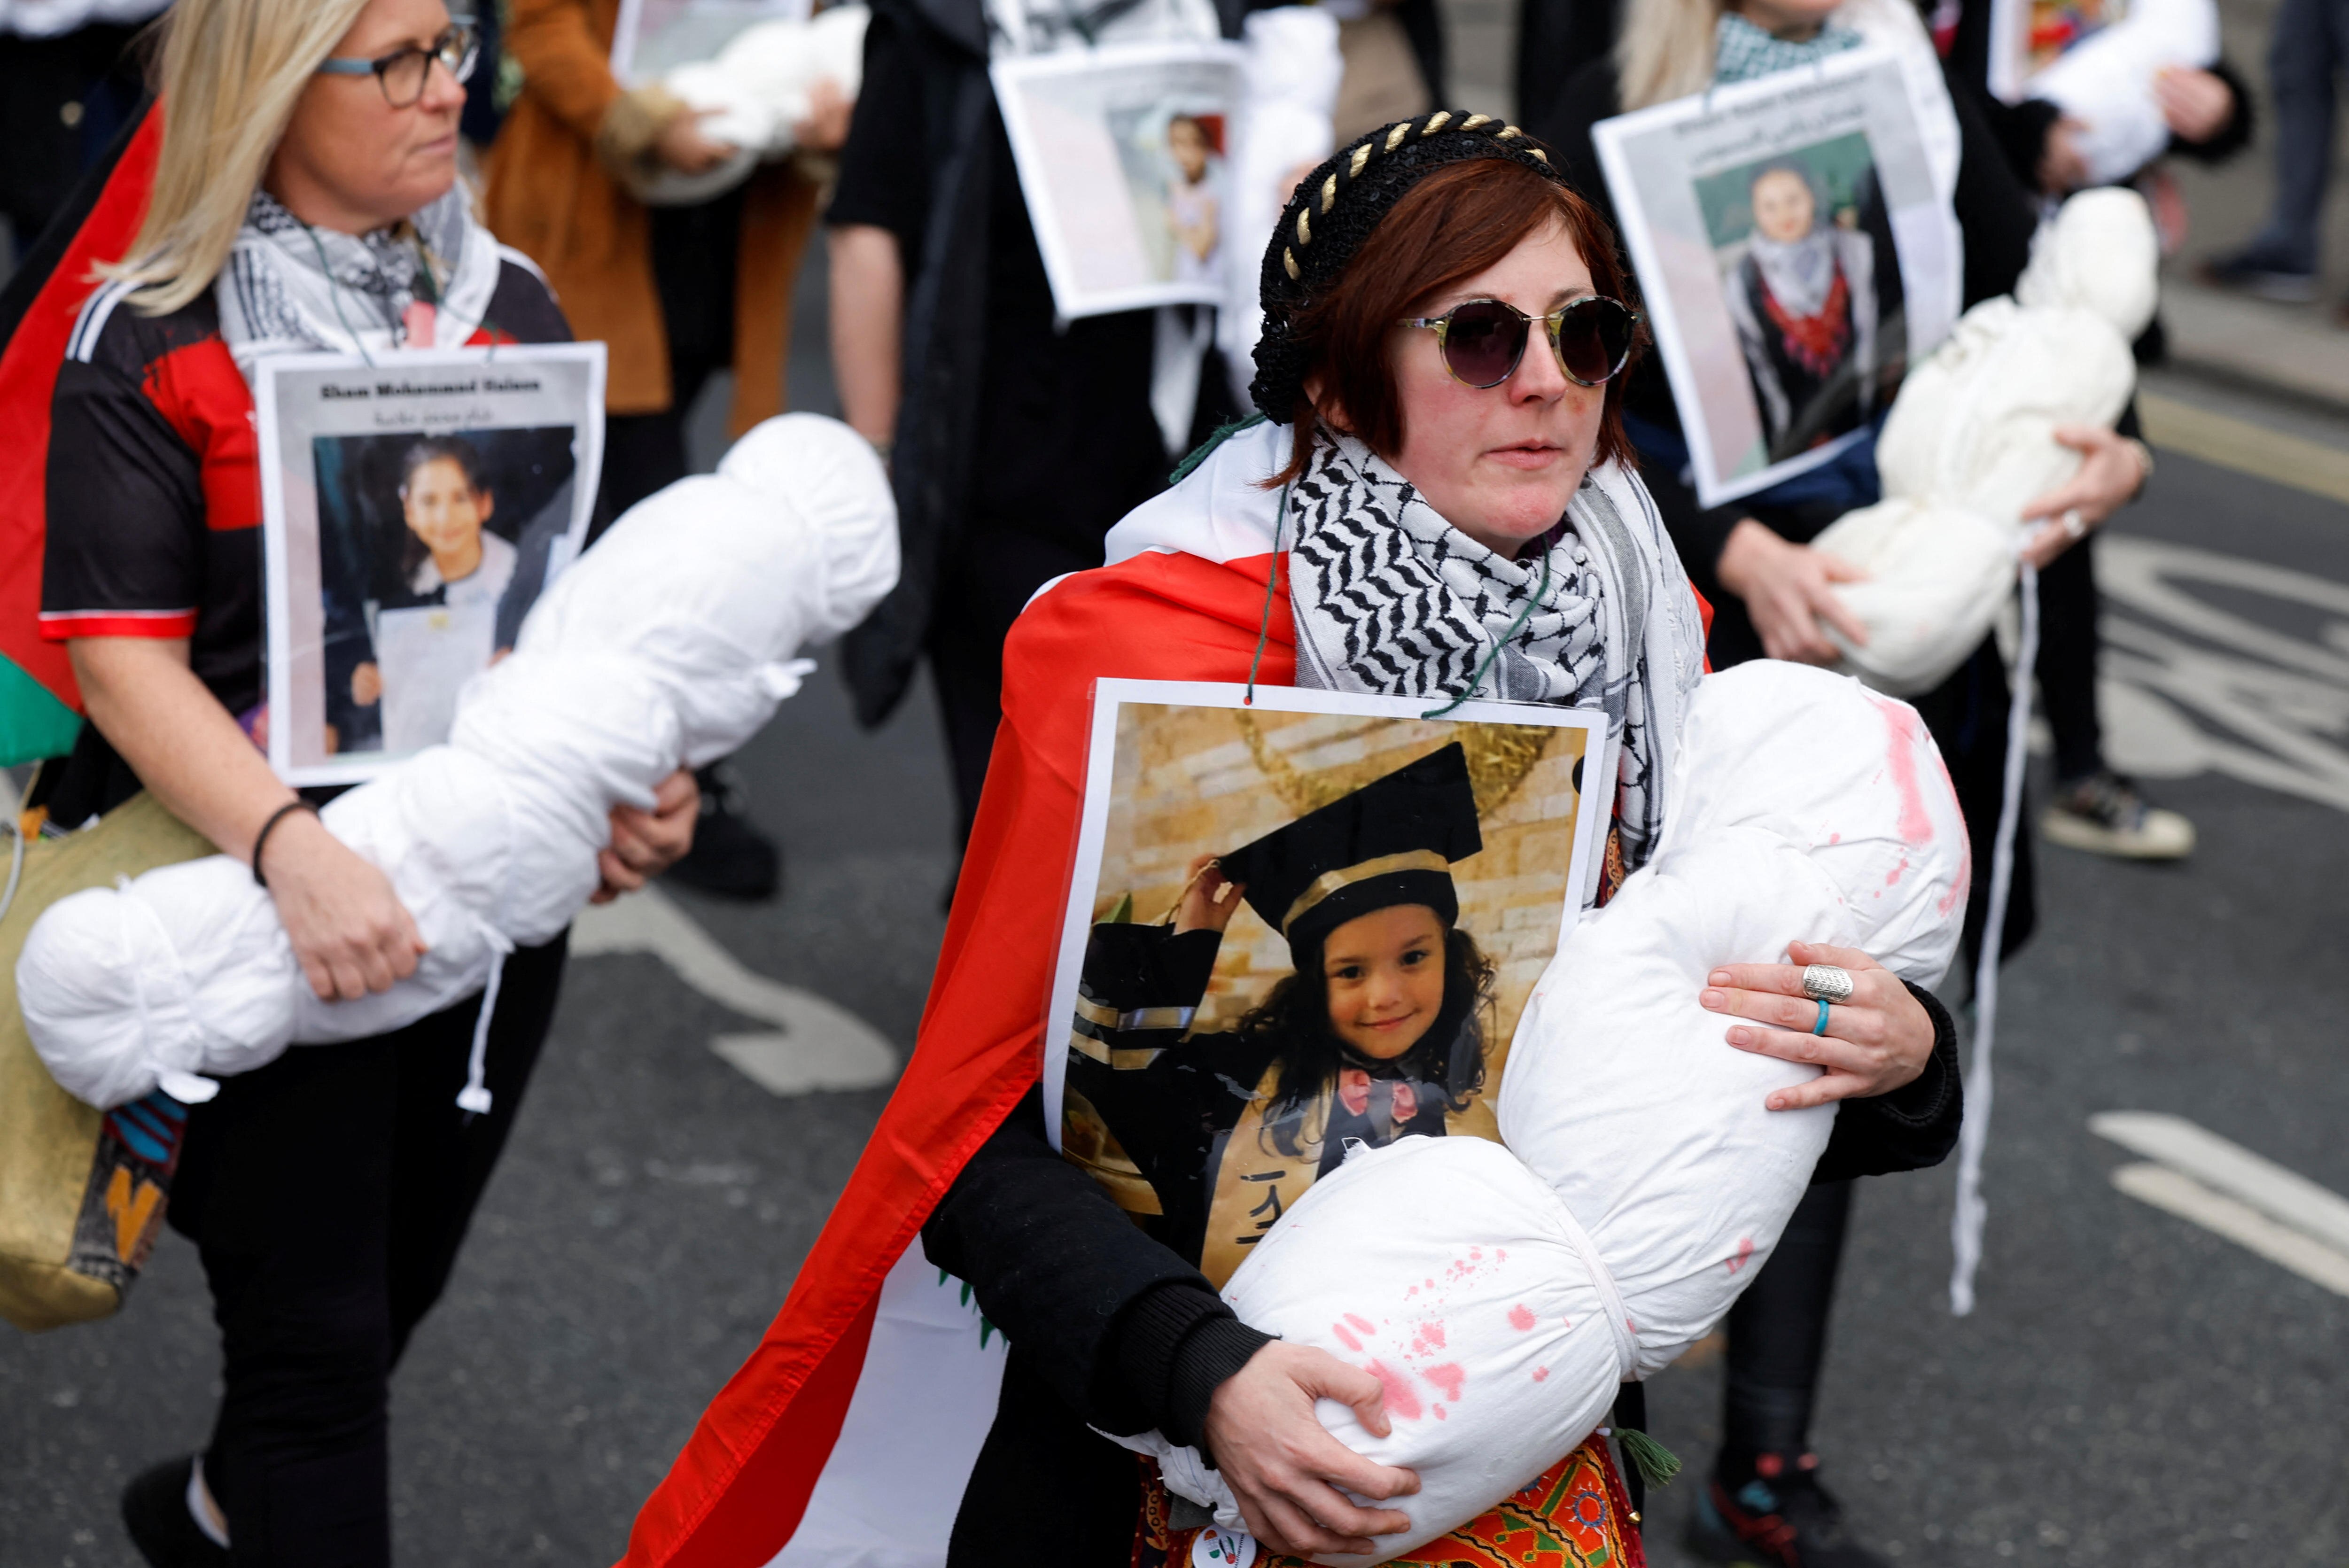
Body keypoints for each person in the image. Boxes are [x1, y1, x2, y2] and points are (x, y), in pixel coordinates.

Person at [927, 119, 1960, 1564]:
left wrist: (1900, 1055)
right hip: (1161, 1458)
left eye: (1582, 332)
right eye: (1478, 336)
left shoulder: (1652, 640)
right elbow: (966, 1131)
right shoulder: (1141, 650)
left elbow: (1670, 1089)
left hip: (1516, 1452)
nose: (1543, 379)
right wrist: (1204, 1371)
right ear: (1343, 383)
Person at [18, 0, 699, 1561]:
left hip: (491, 898)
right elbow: (121, 656)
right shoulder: (151, 327)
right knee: (316, 1349)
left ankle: (205, 1518)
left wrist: (635, 788)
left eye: (454, 50)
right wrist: (282, 846)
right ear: (270, 86)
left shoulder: (511, 305)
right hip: (258, 906)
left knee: (394, 1291)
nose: (446, 87)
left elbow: (566, 616)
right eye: (394, 60)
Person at [1531, 3, 2146, 1561]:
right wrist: (1728, 543)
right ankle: (1557, 1402)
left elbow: (2034, 302)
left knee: (1838, 1012)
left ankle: (1762, 1453)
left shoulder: (1903, 63)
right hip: (1706, 602)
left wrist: (2111, 444)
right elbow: (1539, 372)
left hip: (1906, 606)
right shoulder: (1599, 55)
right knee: (1660, 1000)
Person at [825, 0, 1244, 852]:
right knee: (1017, 810)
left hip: (1180, 459)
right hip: (998, 463)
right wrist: (875, 457)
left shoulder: (1213, 17)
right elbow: (868, 232)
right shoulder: (943, 25)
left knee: (1151, 807)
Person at [484, 0, 848, 901]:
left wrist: (826, 98)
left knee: (639, 495)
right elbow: (539, 26)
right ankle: (617, 773)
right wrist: (637, 120)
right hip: (598, 205)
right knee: (609, 505)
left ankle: (650, 774)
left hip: (722, 211)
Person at [1068, 746, 1493, 1269]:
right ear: (1314, 984)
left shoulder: (1473, 1112)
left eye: (1413, 957)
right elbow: (1105, 1075)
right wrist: (1190, 942)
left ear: (1449, 959)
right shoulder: (1231, 1083)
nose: (1384, 994)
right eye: (1350, 971)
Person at [1722, 160, 1881, 460]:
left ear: (1812, 197)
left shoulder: (1856, 251)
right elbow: (1760, 374)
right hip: (1797, 440)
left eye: (1793, 200)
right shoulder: (1741, 283)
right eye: (1770, 206)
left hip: (1866, 420)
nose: (1785, 214)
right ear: (1755, 212)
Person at [1166, 112, 1221, 284]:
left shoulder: (1213, 190)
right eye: (1176, 143)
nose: (1184, 153)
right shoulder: (1178, 187)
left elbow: (1202, 248)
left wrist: (1177, 225)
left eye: (1192, 143)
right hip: (1185, 284)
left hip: (1208, 289)